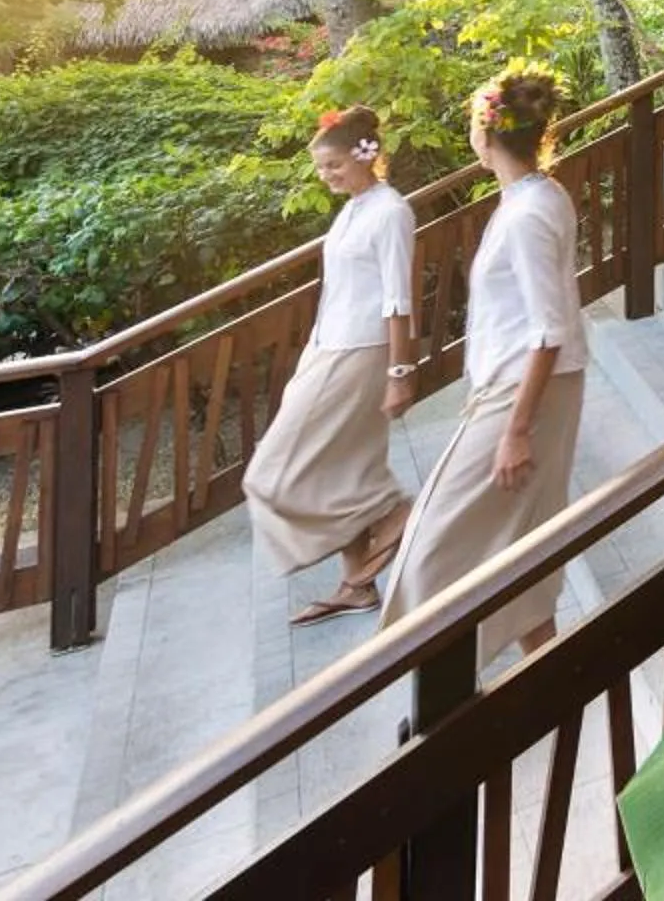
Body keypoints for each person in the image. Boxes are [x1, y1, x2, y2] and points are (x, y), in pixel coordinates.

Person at [377, 67, 587, 663]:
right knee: (518, 540)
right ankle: (549, 677)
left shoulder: (528, 214)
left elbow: (548, 329)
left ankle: (438, 684)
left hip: (523, 396)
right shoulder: (537, 195)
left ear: (485, 133)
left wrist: (516, 430)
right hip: (527, 388)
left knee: (430, 546)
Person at [243, 105, 418, 625]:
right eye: (321, 168)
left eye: (335, 165)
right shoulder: (354, 209)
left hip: (359, 351)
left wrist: (400, 372)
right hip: (329, 344)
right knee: (345, 466)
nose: (326, 176)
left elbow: (398, 298)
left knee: (269, 473)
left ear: (366, 155)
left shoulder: (390, 211)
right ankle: (357, 584)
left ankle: (395, 512)